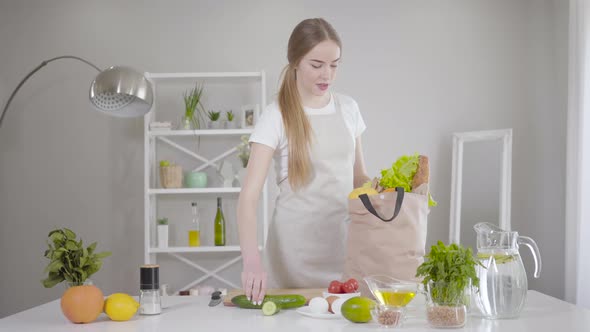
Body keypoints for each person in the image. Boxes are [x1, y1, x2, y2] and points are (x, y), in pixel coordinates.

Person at [237, 18, 371, 305]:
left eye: (334, 64)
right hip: (292, 259)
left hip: (342, 252)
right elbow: (248, 198)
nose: (327, 75)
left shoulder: (348, 109)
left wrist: (390, 197)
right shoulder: (276, 115)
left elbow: (359, 178)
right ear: (296, 61)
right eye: (317, 64)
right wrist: (251, 261)